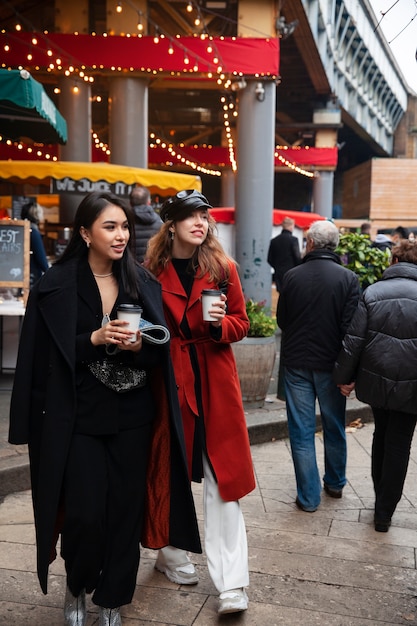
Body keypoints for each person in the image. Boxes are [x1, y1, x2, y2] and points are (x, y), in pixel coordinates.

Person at [8, 191, 201, 626]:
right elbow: (39, 360)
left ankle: (112, 597)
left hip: (134, 417)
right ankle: (78, 585)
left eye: (125, 227)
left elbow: (160, 355)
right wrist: (92, 340)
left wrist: (138, 347)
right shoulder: (54, 287)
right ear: (85, 233)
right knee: (84, 513)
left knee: (125, 514)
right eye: (109, 227)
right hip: (76, 418)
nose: (120, 235)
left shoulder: (141, 282)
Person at [144, 189, 255, 615]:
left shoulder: (223, 269)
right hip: (169, 379)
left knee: (223, 478)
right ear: (171, 224)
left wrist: (219, 324)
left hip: (213, 380)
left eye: (204, 216)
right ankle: (170, 554)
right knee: (167, 467)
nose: (200, 223)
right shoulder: (150, 270)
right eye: (190, 216)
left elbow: (242, 323)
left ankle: (232, 583)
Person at [334, 240, 417, 533]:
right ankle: (385, 511)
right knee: (400, 443)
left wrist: (344, 377)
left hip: (377, 379)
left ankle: (379, 497)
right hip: (412, 387)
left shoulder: (373, 292)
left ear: (394, 260)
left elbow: (354, 341)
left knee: (381, 434)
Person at [277, 220, 360, 512]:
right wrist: (350, 372)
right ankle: (335, 484)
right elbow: (351, 330)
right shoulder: (348, 278)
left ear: (310, 243)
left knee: (301, 431)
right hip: (332, 365)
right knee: (334, 425)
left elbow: (282, 321)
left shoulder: (291, 277)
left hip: (297, 362)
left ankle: (308, 498)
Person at [129, 185, 162, 263]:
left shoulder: (123, 221)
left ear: (130, 203)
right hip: (151, 268)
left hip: (128, 268)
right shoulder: (160, 222)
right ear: (149, 202)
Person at [267, 216, 301, 291]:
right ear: (291, 226)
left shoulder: (274, 241)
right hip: (291, 273)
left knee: (281, 294)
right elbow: (297, 257)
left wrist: (276, 266)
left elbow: (269, 258)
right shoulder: (293, 240)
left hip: (278, 273)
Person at [20, 200, 49, 287]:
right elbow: (41, 259)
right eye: (41, 212)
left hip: (20, 274)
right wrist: (50, 272)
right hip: (32, 276)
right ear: (36, 214)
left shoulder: (21, 230)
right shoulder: (34, 232)